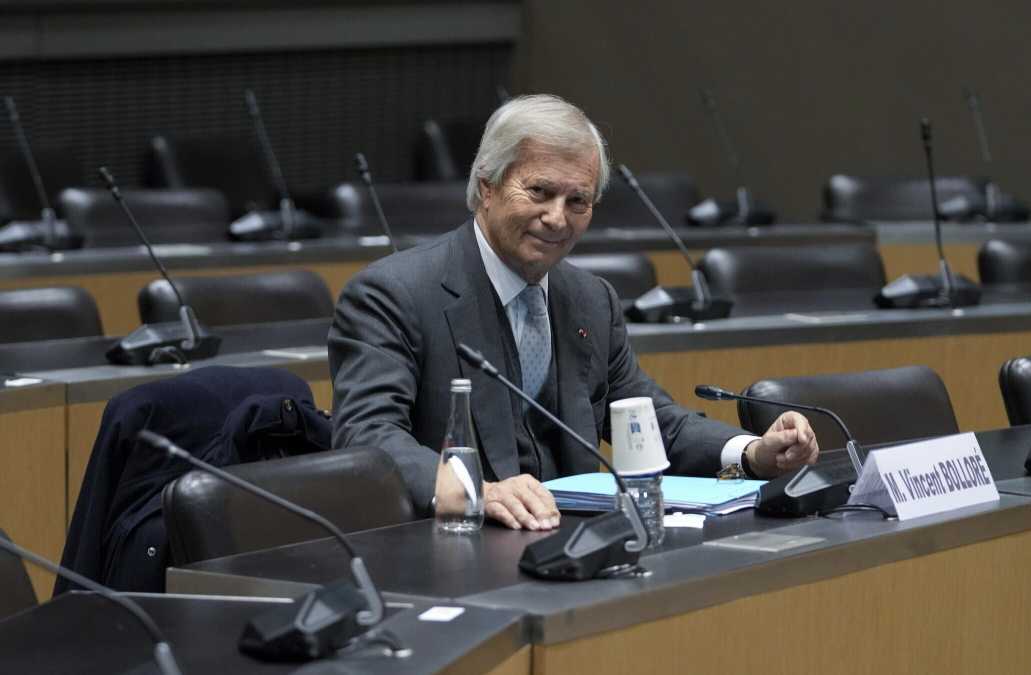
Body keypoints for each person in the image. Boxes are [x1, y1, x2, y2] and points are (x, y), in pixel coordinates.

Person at [329, 94, 819, 531]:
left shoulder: (590, 299)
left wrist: (752, 452)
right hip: (452, 547)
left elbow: (649, 420)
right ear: (487, 186)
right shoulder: (393, 293)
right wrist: (475, 490)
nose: (557, 218)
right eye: (539, 192)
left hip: (576, 543)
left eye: (577, 200)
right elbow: (367, 435)